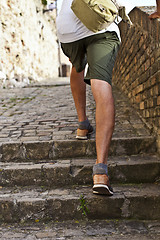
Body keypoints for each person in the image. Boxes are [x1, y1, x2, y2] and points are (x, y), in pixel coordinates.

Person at [56, 0, 159, 196]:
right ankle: (100, 172)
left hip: (67, 29)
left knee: (78, 66)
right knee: (101, 82)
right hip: (101, 23)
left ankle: (82, 124)